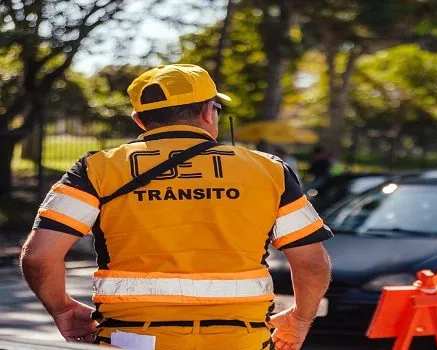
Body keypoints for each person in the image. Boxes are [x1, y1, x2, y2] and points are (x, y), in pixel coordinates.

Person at [20, 64, 333, 350]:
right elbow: (311, 263)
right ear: (210, 113)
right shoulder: (269, 170)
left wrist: (62, 309)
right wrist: (299, 319)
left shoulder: (97, 168)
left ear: (140, 120)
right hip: (242, 338)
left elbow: (39, 256)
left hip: (131, 339)